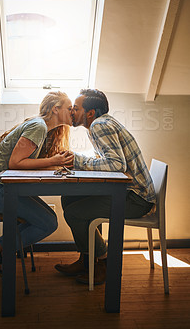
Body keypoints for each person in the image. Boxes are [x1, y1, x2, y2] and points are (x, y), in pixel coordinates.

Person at [55, 89, 156, 285]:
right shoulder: (104, 122)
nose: (72, 112)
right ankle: (87, 260)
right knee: (69, 199)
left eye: (76, 108)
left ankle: (103, 263)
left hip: (136, 199)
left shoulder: (99, 126)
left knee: (75, 213)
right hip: (133, 193)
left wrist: (77, 160)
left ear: (90, 113)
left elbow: (117, 165)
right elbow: (105, 159)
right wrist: (78, 158)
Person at [0, 91, 74, 279]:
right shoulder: (39, 127)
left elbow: (24, 163)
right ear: (56, 109)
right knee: (48, 223)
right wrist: (54, 161)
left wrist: (55, 163)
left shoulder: (41, 127)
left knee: (48, 219)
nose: (73, 111)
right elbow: (16, 163)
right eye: (69, 108)